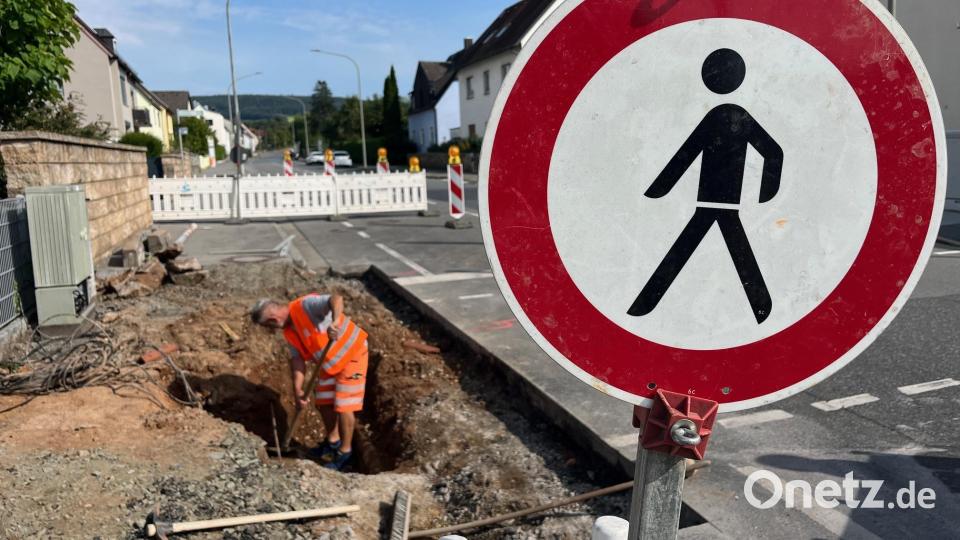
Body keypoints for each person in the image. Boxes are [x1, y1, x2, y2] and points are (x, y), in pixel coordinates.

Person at [629, 48, 783, 323]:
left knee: (698, 247)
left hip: (717, 199)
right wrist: (766, 191)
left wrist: (660, 187)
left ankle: (645, 303)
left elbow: (687, 154)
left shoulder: (724, 116)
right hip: (719, 200)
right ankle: (762, 308)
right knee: (725, 247)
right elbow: (773, 153)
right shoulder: (731, 115)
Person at [250, 293, 369, 470]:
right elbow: (297, 360)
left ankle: (345, 453)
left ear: (273, 320)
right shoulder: (289, 332)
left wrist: (335, 322)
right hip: (331, 364)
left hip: (353, 355)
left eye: (268, 326)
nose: (272, 329)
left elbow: (336, 298)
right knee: (324, 403)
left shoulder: (305, 306)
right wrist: (298, 389)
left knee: (344, 405)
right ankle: (333, 442)